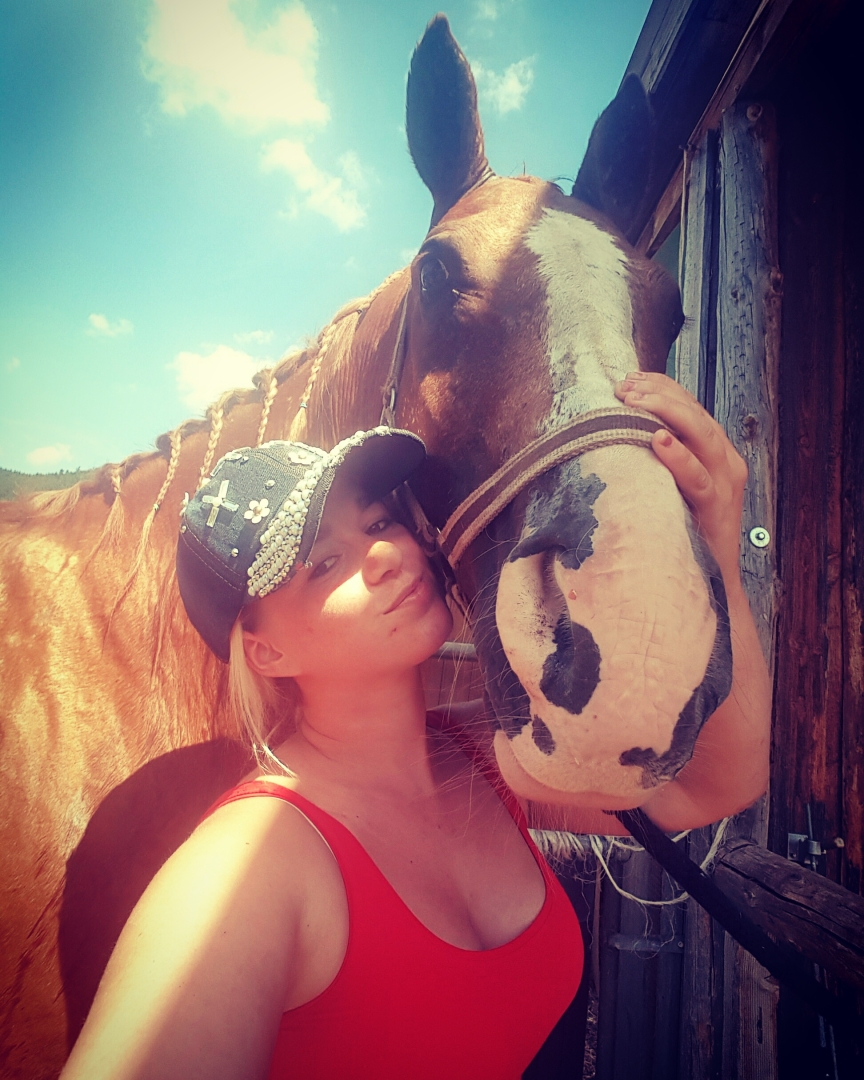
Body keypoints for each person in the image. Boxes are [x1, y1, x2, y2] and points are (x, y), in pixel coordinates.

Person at [60, 374, 771, 1080]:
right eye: (323, 563)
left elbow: (709, 787)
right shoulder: (242, 867)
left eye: (378, 522)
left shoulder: (489, 757)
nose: (387, 553)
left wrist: (718, 557)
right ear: (266, 652)